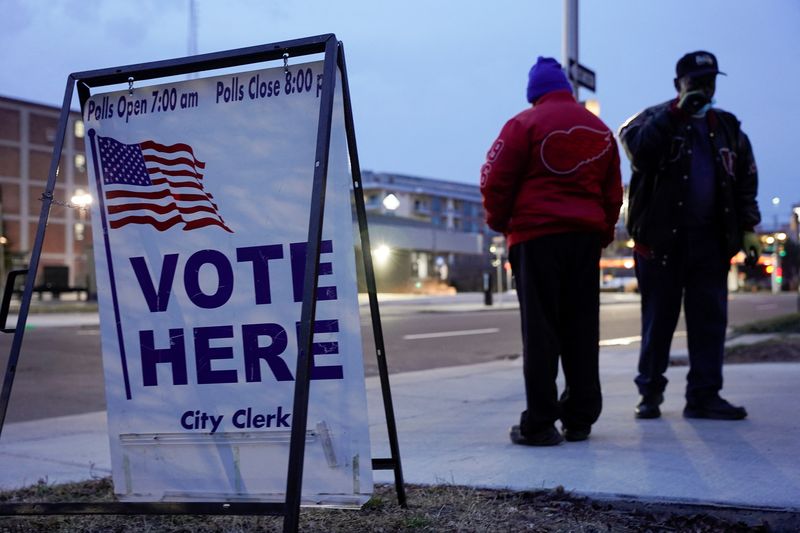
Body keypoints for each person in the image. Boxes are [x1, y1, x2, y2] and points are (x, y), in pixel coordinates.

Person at [480, 57, 622, 446]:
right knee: (581, 327)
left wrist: (501, 222)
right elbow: (614, 193)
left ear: (534, 93)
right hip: (584, 239)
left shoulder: (523, 125)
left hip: (536, 237)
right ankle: (580, 417)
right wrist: (603, 230)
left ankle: (541, 422)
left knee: (541, 330)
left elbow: (495, 179)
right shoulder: (600, 130)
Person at [618, 51, 761, 421]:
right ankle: (649, 393)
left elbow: (745, 180)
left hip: (711, 244)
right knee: (658, 322)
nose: (704, 88)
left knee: (709, 323)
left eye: (710, 81)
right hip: (661, 244)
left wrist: (748, 228)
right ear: (677, 84)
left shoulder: (728, 127)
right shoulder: (651, 119)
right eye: (695, 81)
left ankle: (704, 395)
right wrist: (676, 113)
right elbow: (640, 154)